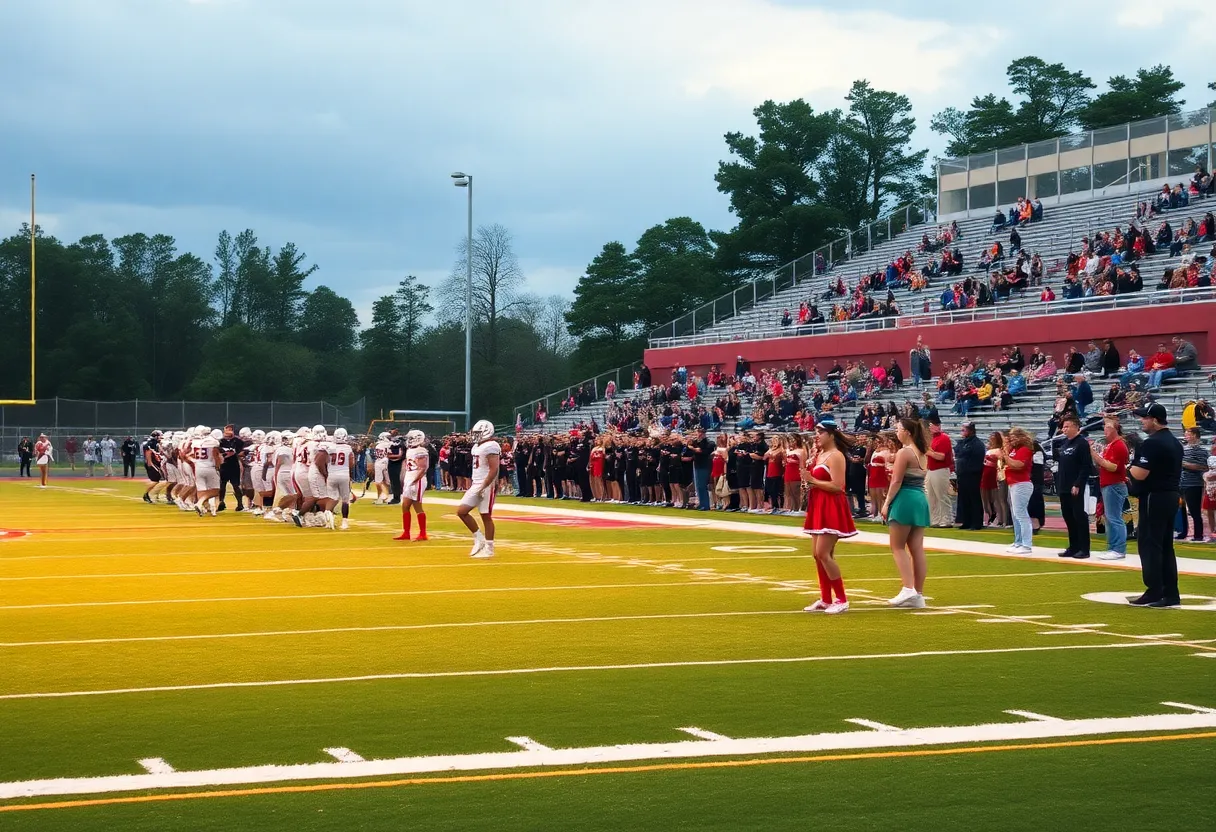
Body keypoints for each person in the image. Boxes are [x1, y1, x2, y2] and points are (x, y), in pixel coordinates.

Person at [1127, 403, 1183, 607]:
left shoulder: (1152, 443)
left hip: (1154, 496)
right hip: (1170, 495)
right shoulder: (1174, 442)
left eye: (1145, 418)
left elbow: (1140, 474)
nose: (1142, 421)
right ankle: (1170, 593)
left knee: (1150, 544)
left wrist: (1127, 467)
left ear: (1155, 420)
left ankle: (1155, 589)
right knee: (1166, 545)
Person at [801, 416, 853, 615]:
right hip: (818, 504)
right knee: (817, 555)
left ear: (831, 434)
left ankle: (841, 598)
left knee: (824, 553)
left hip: (831, 505)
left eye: (820, 432)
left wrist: (813, 480)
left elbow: (838, 486)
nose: (817, 436)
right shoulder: (821, 454)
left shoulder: (836, 455)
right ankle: (825, 598)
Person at [882, 418, 932, 608]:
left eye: (899, 429)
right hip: (919, 498)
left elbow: (896, 481)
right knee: (917, 548)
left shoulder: (905, 452)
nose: (897, 432)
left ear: (907, 432)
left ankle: (908, 588)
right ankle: (918, 594)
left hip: (905, 498)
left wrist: (887, 503)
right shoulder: (922, 452)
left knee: (897, 546)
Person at [457, 419, 501, 558]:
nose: (475, 435)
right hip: (477, 483)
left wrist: (485, 485)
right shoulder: (477, 446)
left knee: (486, 516)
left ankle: (489, 548)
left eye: (478, 433)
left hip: (486, 484)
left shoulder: (491, 446)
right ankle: (479, 538)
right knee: (462, 511)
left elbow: (494, 469)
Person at [1054, 415, 1093, 559]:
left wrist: (1078, 484)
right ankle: (1073, 546)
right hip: (1063, 486)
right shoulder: (1064, 443)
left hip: (1075, 487)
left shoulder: (1081, 443)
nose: (1064, 429)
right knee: (1068, 517)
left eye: (1067, 426)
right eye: (1063, 427)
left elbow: (1086, 466)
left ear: (1076, 427)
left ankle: (1084, 548)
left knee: (1079, 517)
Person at [1090, 418, 1129, 560]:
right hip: (1109, 484)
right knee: (1110, 517)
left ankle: (1118, 548)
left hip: (1114, 484)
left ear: (1114, 429)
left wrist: (1094, 454)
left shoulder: (1118, 445)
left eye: (1107, 427)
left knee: (1114, 517)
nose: (1104, 430)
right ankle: (1113, 547)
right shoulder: (1111, 445)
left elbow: (1113, 467)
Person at [1001, 428, 1035, 554]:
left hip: (1021, 484)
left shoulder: (1025, 450)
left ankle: (1027, 544)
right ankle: (1018, 541)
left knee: (1021, 514)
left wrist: (1005, 456)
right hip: (1013, 484)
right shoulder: (1014, 450)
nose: (1012, 439)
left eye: (1015, 436)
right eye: (1011, 436)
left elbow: (1018, 465)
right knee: (1015, 515)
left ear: (1021, 437)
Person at [320, 427, 356, 531]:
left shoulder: (329, 447)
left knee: (332, 498)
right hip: (344, 474)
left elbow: (325, 461)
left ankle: (328, 518)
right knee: (345, 500)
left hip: (332, 475)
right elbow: (351, 463)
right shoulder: (348, 448)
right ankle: (344, 522)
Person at [953, 421, 985, 530]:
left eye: (964, 430)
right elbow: (957, 451)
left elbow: (967, 455)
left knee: (974, 499)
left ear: (970, 431)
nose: (962, 432)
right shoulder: (963, 442)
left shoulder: (977, 444)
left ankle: (976, 522)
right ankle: (966, 521)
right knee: (963, 499)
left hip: (973, 474)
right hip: (962, 474)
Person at [1180, 426, 1207, 543]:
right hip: (1182, 482)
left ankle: (1198, 534)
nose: (1186, 436)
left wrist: (1185, 464)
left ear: (1195, 435)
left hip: (1194, 483)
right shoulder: (1183, 449)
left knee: (1194, 510)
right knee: (1182, 509)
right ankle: (1184, 532)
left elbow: (1203, 467)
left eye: (1188, 433)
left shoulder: (1202, 451)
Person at [925, 418, 954, 528]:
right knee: (931, 496)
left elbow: (941, 456)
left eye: (932, 425)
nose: (930, 427)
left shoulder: (944, 438)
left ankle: (946, 519)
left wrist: (928, 452)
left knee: (941, 495)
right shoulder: (933, 439)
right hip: (931, 469)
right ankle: (934, 519)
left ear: (938, 426)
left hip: (940, 469)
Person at [690, 426, 713, 511]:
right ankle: (701, 503)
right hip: (697, 465)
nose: (699, 434)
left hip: (704, 465)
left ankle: (706, 505)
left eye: (701, 433)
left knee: (702, 486)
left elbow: (703, 451)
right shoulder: (696, 442)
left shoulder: (708, 443)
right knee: (698, 486)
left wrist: (694, 448)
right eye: (698, 432)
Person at [142, 431, 167, 504]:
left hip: (156, 463)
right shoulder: (151, 443)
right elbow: (148, 452)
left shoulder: (154, 442)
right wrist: (150, 464)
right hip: (152, 463)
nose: (161, 437)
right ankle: (146, 494)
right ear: (156, 436)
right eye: (159, 436)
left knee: (157, 480)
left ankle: (154, 494)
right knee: (155, 480)